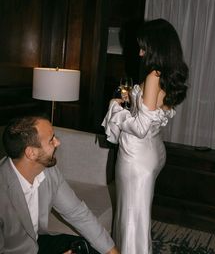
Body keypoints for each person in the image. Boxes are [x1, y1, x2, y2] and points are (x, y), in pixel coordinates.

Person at [102, 18, 188, 254]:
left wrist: (115, 109)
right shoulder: (169, 74)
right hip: (153, 150)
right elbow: (152, 115)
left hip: (137, 158)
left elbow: (139, 127)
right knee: (135, 215)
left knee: (132, 221)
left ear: (156, 47)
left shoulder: (153, 76)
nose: (140, 53)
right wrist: (133, 103)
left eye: (144, 47)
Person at [0, 115, 120, 254]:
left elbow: (77, 213)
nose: (58, 142)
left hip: (37, 242)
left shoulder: (48, 171)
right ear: (31, 153)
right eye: (51, 140)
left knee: (91, 248)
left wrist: (112, 252)